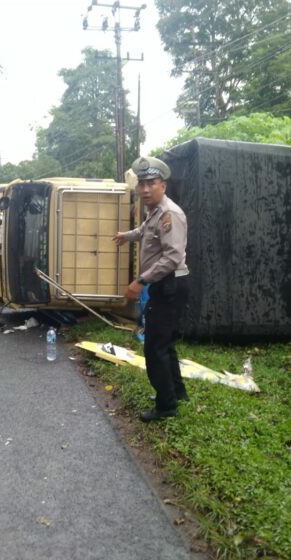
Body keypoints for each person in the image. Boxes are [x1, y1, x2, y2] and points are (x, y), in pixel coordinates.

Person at [113, 156, 189, 422]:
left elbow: (171, 258)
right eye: (141, 184)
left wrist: (140, 281)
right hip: (165, 285)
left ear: (163, 185)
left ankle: (166, 406)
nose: (145, 189)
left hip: (168, 285)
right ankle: (176, 392)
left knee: (155, 347)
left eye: (151, 183)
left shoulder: (170, 214)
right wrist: (127, 235)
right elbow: (145, 231)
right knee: (165, 344)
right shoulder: (155, 212)